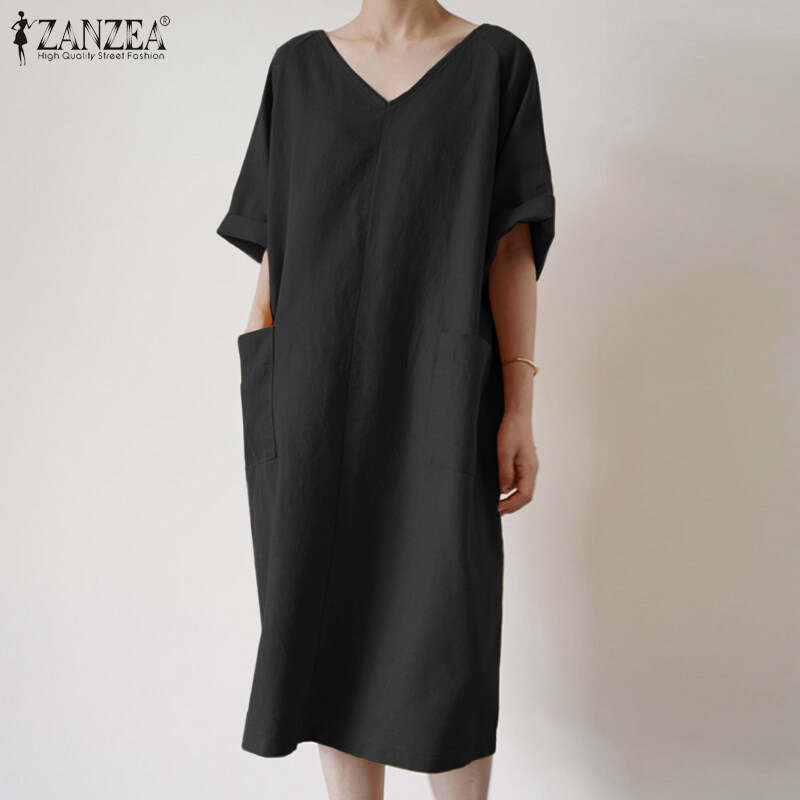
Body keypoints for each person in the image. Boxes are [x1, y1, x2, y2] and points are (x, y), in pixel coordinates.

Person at [216, 3, 556, 799]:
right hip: (309, 396)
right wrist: (262, 367)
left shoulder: (497, 65)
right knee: (325, 627)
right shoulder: (298, 70)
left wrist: (519, 406)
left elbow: (510, 248)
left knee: (449, 637)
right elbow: (275, 250)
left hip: (441, 392)